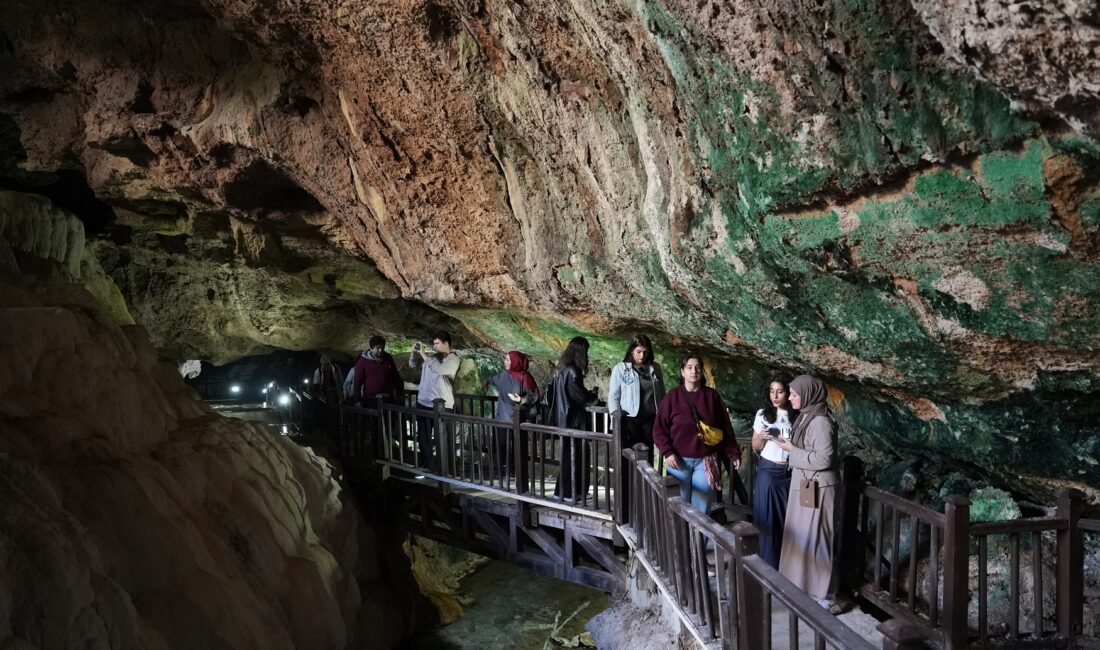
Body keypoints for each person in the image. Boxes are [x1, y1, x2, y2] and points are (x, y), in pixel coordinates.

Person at [773, 375, 840, 611]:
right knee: (803, 537)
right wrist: (790, 447)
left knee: (818, 539)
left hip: (819, 488)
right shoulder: (805, 417)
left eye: (793, 394)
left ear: (808, 394)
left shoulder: (820, 422)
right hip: (807, 485)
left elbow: (824, 458)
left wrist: (792, 450)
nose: (789, 398)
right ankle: (804, 587)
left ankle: (824, 594)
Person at [652, 355, 742, 514]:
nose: (694, 371)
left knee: (701, 509)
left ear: (701, 372)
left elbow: (725, 428)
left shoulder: (712, 396)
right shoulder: (673, 397)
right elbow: (659, 429)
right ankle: (680, 539)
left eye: (697, 368)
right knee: (678, 506)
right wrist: (667, 452)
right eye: (689, 367)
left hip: (705, 461)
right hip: (678, 460)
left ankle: (698, 540)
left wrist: (734, 453)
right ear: (682, 372)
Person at [750, 371, 796, 569]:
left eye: (780, 392)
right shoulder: (763, 414)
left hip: (790, 473)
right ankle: (768, 567)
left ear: (788, 393)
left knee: (789, 521)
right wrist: (761, 436)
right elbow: (756, 446)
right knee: (767, 518)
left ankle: (788, 567)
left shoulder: (797, 415)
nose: (775, 397)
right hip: (768, 471)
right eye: (772, 392)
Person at [547, 336, 598, 501]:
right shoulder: (572, 370)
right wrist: (594, 396)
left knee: (568, 457)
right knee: (577, 456)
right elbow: (579, 396)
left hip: (563, 420)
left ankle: (561, 492)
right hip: (574, 421)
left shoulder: (560, 369)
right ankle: (571, 493)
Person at [409, 331, 461, 471]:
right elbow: (412, 364)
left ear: (446, 344)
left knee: (444, 438)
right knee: (423, 438)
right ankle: (427, 467)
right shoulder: (430, 358)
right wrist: (414, 353)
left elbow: (440, 370)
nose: (435, 346)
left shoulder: (453, 360)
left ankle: (448, 468)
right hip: (423, 403)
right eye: (434, 343)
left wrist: (424, 354)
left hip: (442, 405)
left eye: (437, 343)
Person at [484, 351, 540, 481]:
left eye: (508, 360)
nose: (505, 362)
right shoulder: (504, 375)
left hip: (517, 419)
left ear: (516, 362)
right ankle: (503, 471)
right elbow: (493, 379)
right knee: (501, 446)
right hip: (502, 419)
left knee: (518, 448)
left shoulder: (525, 378)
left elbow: (534, 396)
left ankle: (517, 472)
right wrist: (486, 381)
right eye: (506, 359)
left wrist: (521, 400)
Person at [608, 334, 665, 451]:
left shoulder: (655, 368)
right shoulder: (621, 369)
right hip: (629, 419)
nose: (642, 355)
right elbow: (614, 397)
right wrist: (615, 422)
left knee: (647, 452)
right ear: (631, 351)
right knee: (630, 454)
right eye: (638, 351)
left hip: (650, 419)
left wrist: (663, 417)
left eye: (645, 352)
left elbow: (662, 394)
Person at [353, 336, 403, 404]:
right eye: (378, 348)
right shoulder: (363, 361)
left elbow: (395, 375)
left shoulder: (388, 358)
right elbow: (357, 381)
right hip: (371, 399)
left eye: (382, 348)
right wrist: (357, 400)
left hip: (388, 398)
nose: (381, 350)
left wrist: (399, 393)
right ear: (371, 348)